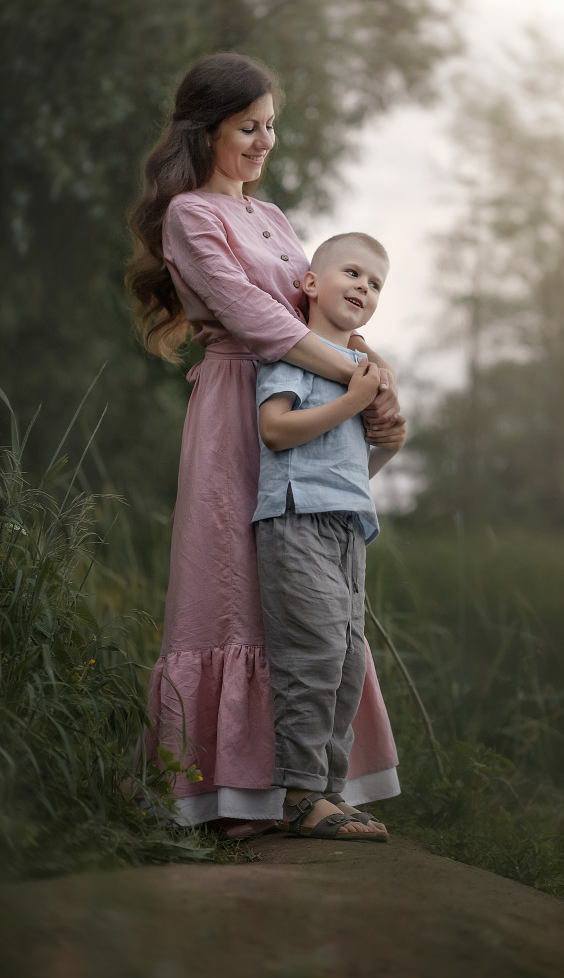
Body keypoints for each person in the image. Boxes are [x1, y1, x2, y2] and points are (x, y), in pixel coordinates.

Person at [126, 52, 401, 835]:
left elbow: (319, 316)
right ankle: (226, 794)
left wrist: (375, 381)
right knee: (229, 589)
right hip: (233, 415)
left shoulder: (274, 218)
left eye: (270, 126)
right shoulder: (191, 216)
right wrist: (358, 375)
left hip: (303, 418)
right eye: (248, 127)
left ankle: (298, 783)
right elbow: (259, 320)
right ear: (206, 129)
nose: (263, 141)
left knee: (302, 604)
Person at [253, 232, 406, 840]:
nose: (364, 288)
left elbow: (346, 471)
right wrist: (354, 402)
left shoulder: (359, 371)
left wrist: (386, 448)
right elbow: (275, 430)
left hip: (346, 528)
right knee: (311, 658)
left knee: (345, 663)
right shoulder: (295, 352)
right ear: (311, 284)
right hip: (295, 520)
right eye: (353, 272)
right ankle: (298, 796)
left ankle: (329, 794)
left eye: (375, 284)